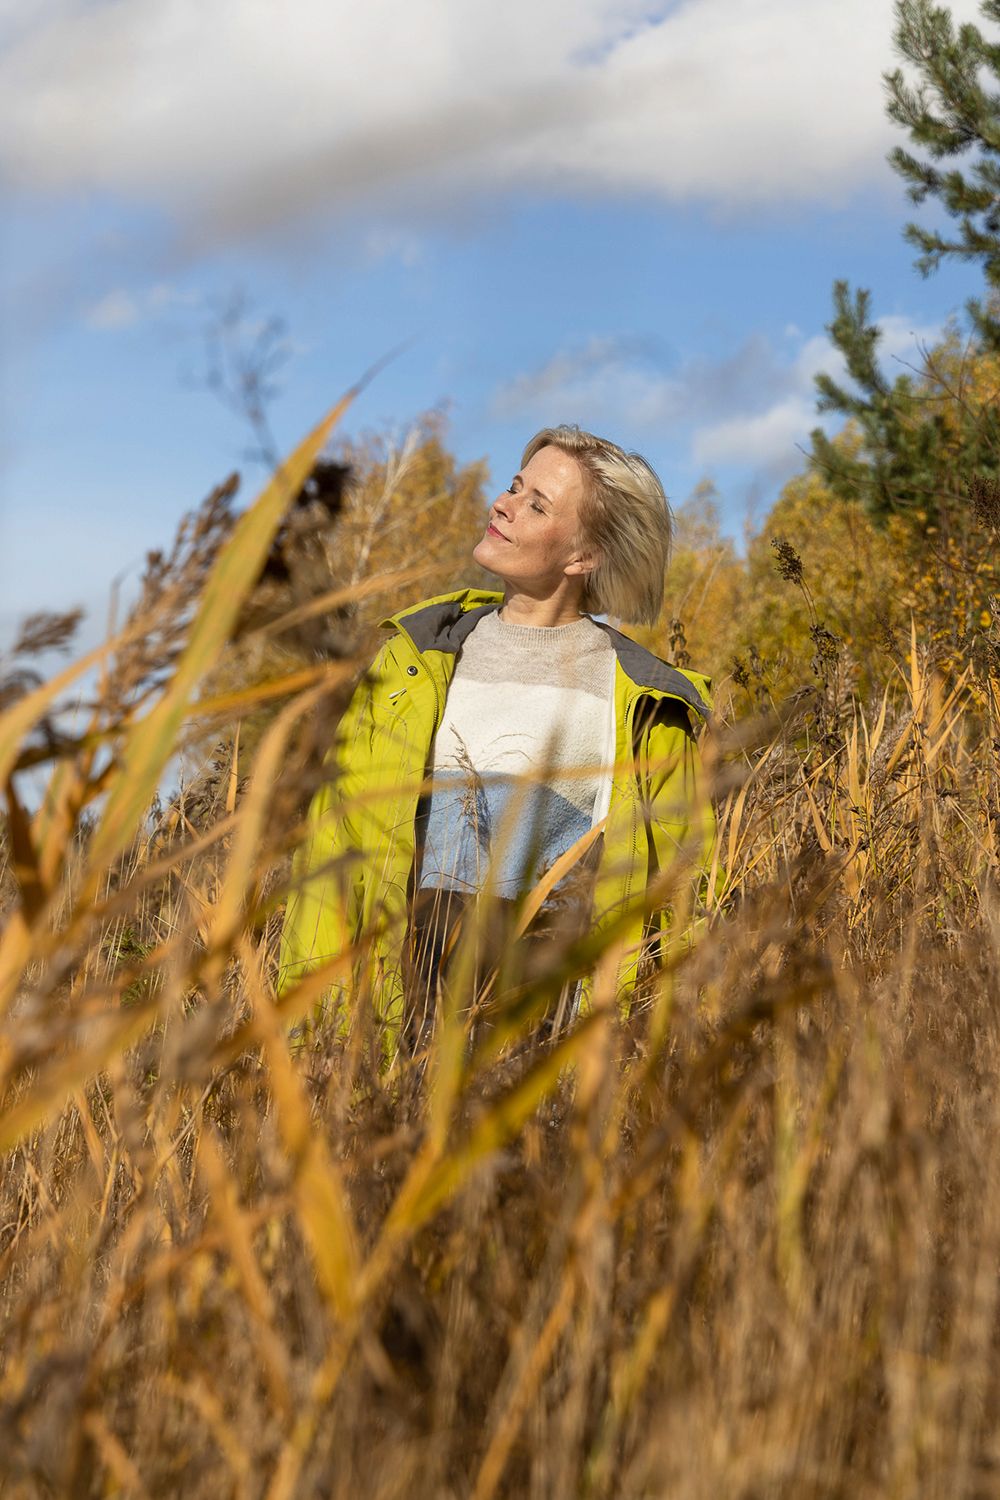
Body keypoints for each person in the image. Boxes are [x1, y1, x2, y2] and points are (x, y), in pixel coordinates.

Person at [277, 425, 715, 1054]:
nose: (503, 505)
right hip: (396, 1025)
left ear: (583, 556)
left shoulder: (646, 701)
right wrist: (311, 1035)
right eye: (514, 486)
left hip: (544, 1044)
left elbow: (677, 894)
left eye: (537, 504)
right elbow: (330, 855)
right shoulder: (412, 661)